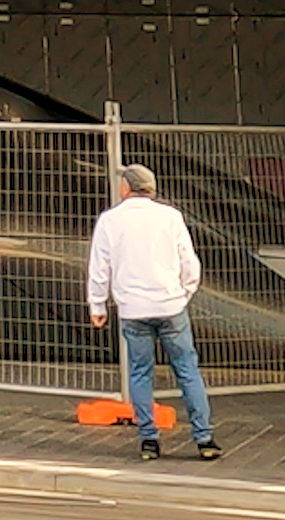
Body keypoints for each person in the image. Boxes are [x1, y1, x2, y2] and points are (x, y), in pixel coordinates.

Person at [88, 163, 221, 462]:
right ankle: (205, 438)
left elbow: (99, 267)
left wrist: (98, 304)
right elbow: (190, 262)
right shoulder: (170, 217)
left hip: (133, 309)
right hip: (171, 305)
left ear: (126, 187)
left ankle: (149, 439)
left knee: (140, 372)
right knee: (187, 371)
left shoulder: (110, 220)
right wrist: (184, 292)